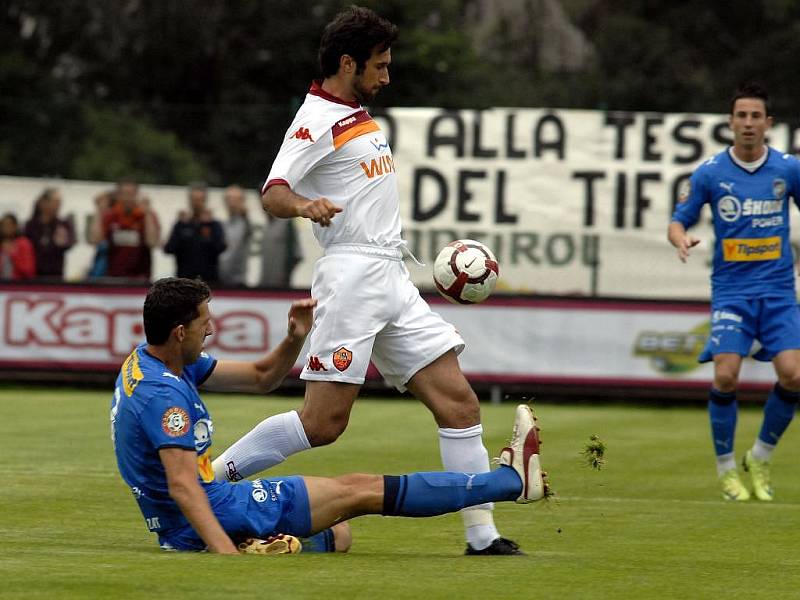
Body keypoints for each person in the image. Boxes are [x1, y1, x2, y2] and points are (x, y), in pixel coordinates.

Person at [215, 5, 528, 555]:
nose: (386, 76)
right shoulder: (315, 117)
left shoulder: (355, 111)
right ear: (347, 62)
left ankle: (484, 537)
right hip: (352, 278)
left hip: (390, 276)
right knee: (323, 423)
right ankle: (211, 479)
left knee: (459, 404)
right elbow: (272, 191)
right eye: (379, 66)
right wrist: (306, 205)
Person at [110, 277, 547, 554]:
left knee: (339, 535)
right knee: (358, 490)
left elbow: (262, 376)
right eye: (206, 321)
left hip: (191, 518)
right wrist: (223, 553)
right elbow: (183, 486)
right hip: (211, 511)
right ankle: (510, 483)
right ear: (179, 331)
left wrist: (294, 339)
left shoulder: (152, 362)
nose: (212, 329)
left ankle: (257, 546)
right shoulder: (163, 397)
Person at [668, 81, 800, 502]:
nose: (747, 123)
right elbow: (678, 218)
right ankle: (727, 469)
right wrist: (680, 239)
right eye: (740, 115)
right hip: (732, 292)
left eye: (755, 116)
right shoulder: (709, 173)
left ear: (768, 124)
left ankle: (759, 456)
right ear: (730, 123)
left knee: (794, 374)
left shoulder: (787, 168)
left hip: (779, 291)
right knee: (725, 374)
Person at [89, 179, 160, 281]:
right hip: (113, 277)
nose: (128, 198)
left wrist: (148, 213)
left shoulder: (145, 217)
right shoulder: (111, 216)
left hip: (140, 278)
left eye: (131, 194)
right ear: (118, 196)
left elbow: (152, 242)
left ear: (137, 195)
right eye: (124, 194)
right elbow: (94, 240)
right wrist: (98, 211)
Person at [164, 183, 226, 284]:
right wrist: (181, 227)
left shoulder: (214, 225)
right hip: (184, 281)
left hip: (209, 281)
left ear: (205, 201)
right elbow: (168, 248)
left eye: (200, 200)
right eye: (194, 199)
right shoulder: (181, 224)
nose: (197, 203)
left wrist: (207, 227)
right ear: (189, 201)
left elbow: (221, 248)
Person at [24, 187, 75, 281]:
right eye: (55, 202)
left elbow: (70, 243)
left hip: (55, 274)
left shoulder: (63, 225)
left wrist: (62, 242)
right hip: (32, 274)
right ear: (43, 203)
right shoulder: (30, 226)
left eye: (59, 202)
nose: (58, 205)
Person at [218, 185, 252, 287]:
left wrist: (245, 216)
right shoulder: (223, 225)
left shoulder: (245, 224)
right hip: (220, 279)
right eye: (229, 199)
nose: (232, 203)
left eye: (236, 199)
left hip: (238, 281)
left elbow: (248, 229)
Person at [0, 212, 36, 281]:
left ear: (15, 226)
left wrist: (13, 254)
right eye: (3, 225)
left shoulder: (24, 244)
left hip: (18, 285)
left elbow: (29, 271)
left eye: (9, 225)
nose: (6, 228)